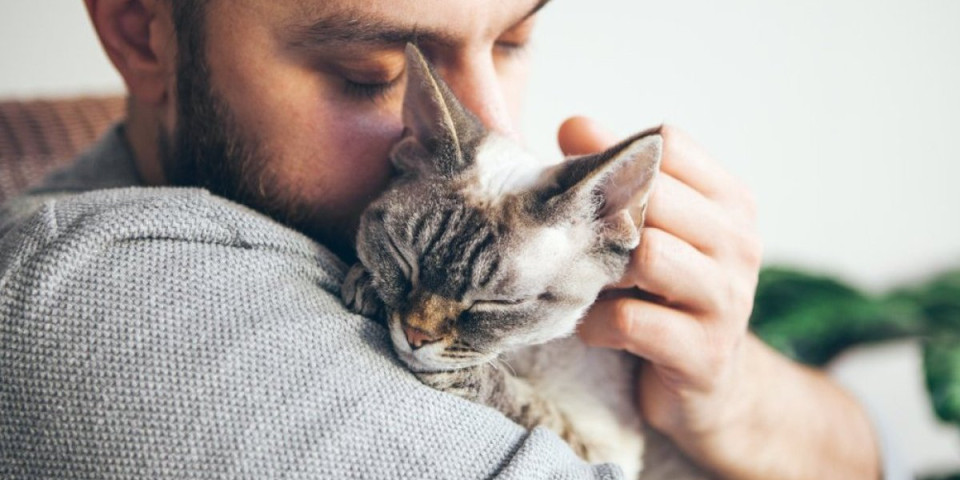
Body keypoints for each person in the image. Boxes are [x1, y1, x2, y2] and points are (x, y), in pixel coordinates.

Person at [0, 0, 882, 478]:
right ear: (141, 28)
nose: (495, 129)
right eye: (374, 72)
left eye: (514, 39)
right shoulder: (101, 300)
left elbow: (875, 456)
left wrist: (732, 395)